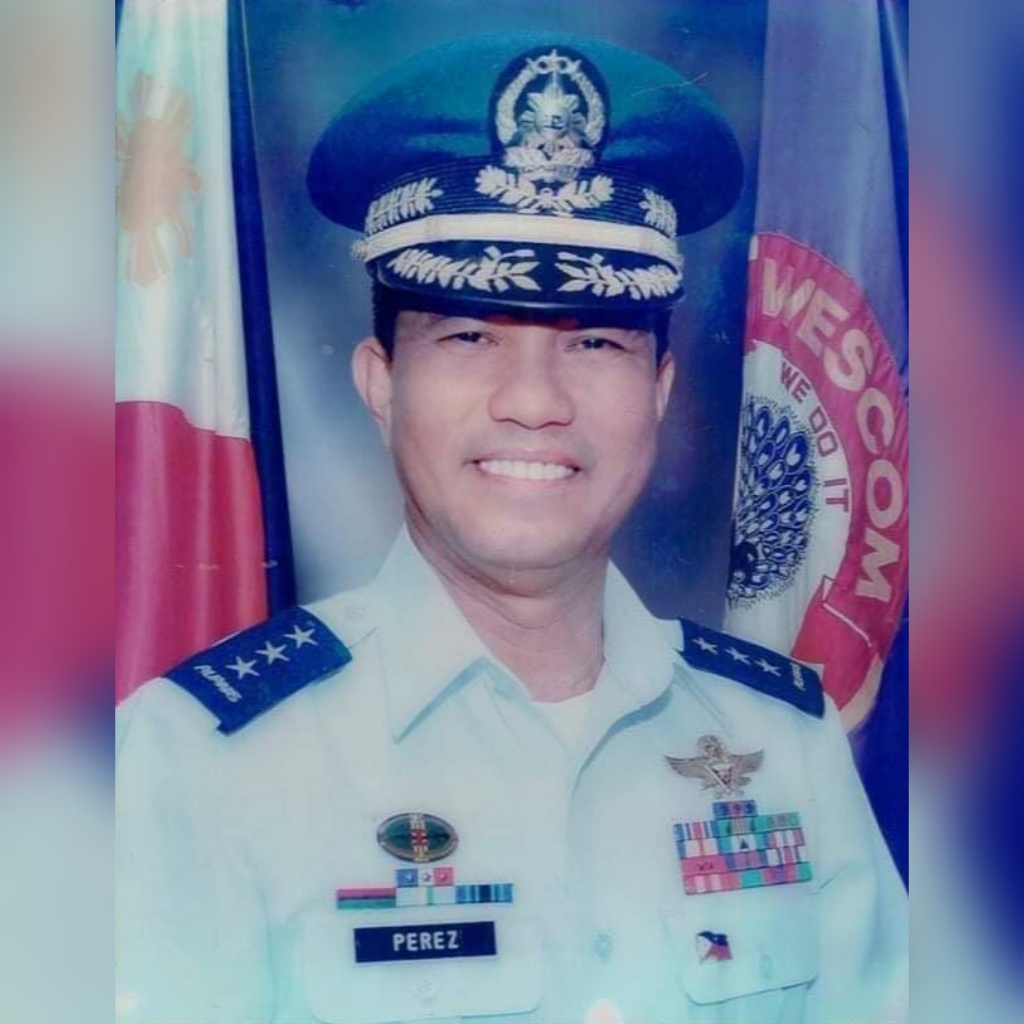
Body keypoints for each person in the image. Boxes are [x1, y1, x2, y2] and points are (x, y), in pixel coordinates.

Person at [116, 32, 908, 1024]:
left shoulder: (785, 740)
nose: (534, 400)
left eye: (595, 341)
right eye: (469, 334)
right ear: (380, 386)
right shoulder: (198, 765)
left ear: (660, 391)